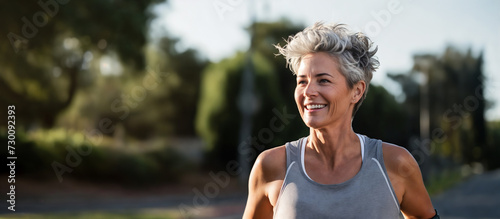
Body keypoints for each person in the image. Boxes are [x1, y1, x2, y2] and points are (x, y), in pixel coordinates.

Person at [242, 22, 439, 219]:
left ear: (356, 91)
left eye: (323, 80)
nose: (308, 91)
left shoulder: (395, 163)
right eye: (302, 81)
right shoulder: (270, 166)